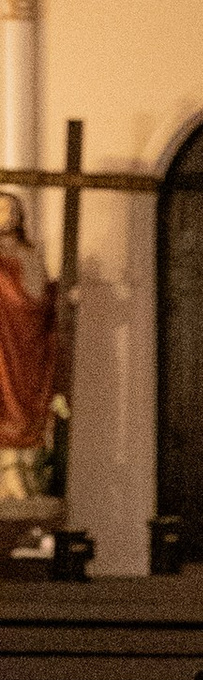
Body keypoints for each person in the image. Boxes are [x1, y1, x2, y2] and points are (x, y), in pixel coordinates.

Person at [0, 193, 55, 499]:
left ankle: (23, 472)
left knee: (26, 399)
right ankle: (7, 474)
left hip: (25, 344)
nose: (6, 216)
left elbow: (38, 301)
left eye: (11, 210)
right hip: (1, 345)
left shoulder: (30, 255)